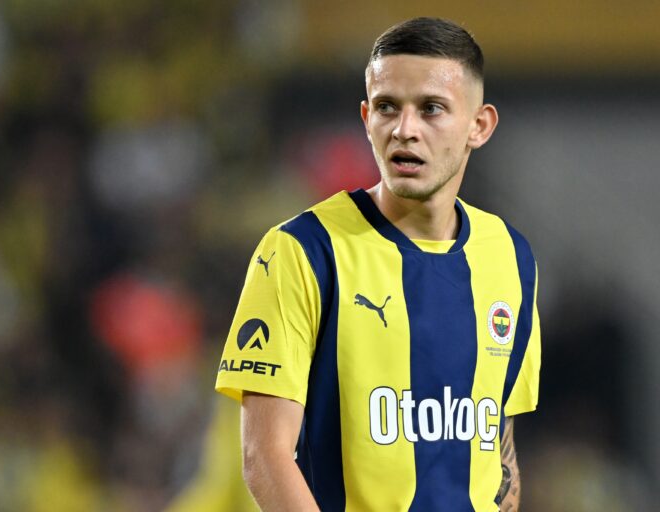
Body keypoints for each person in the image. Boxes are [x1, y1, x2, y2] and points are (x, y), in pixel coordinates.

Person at [215, 17, 541, 512]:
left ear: (479, 126)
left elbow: (499, 453)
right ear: (366, 117)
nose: (404, 130)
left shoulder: (510, 257)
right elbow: (264, 456)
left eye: (431, 109)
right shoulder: (303, 251)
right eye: (388, 107)